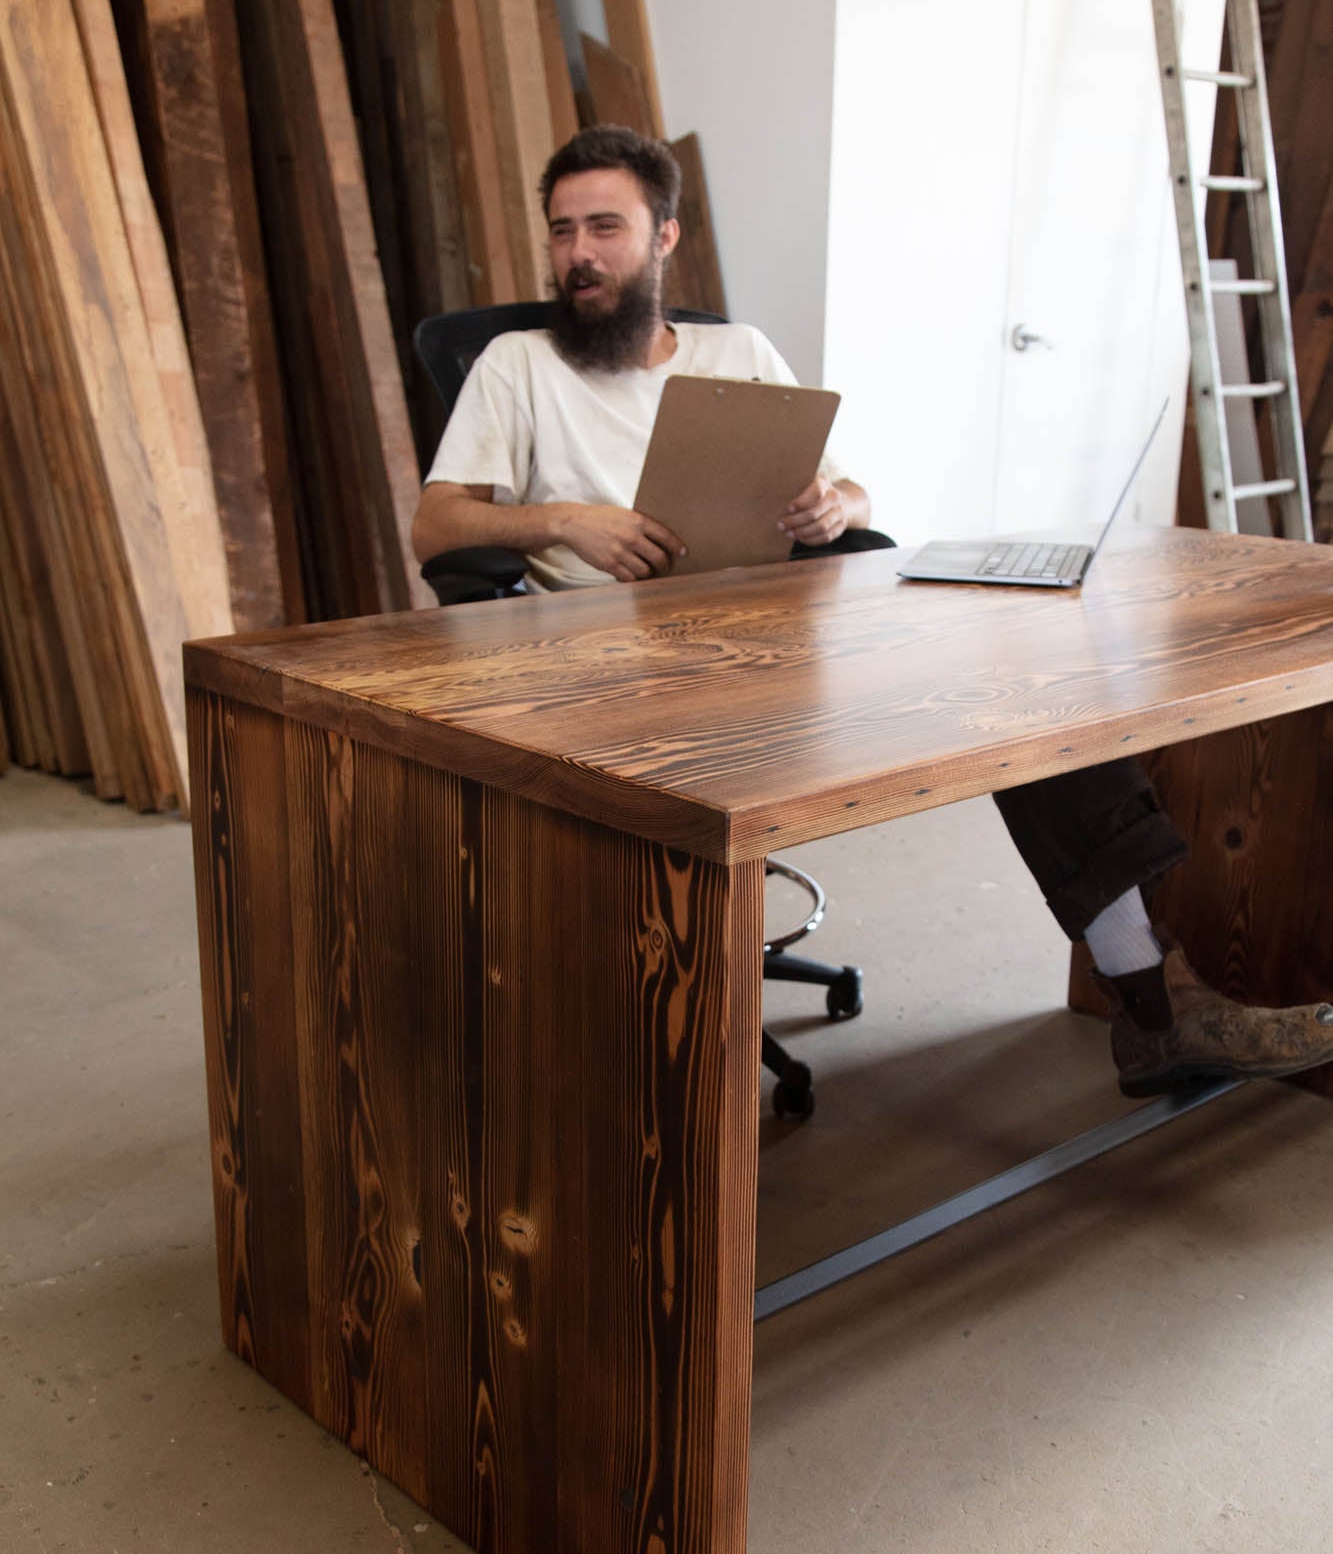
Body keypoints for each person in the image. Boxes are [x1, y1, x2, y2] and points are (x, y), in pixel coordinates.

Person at [413, 124, 1333, 1097]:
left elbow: (852, 497)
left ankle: (1156, 1005)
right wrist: (565, 522)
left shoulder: (737, 349)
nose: (579, 254)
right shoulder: (516, 363)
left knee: (1024, 695)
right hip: (605, 665)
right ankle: (653, 1068)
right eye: (561, 232)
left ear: (665, 235)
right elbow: (436, 525)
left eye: (604, 226)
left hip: (769, 634)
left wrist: (831, 507)